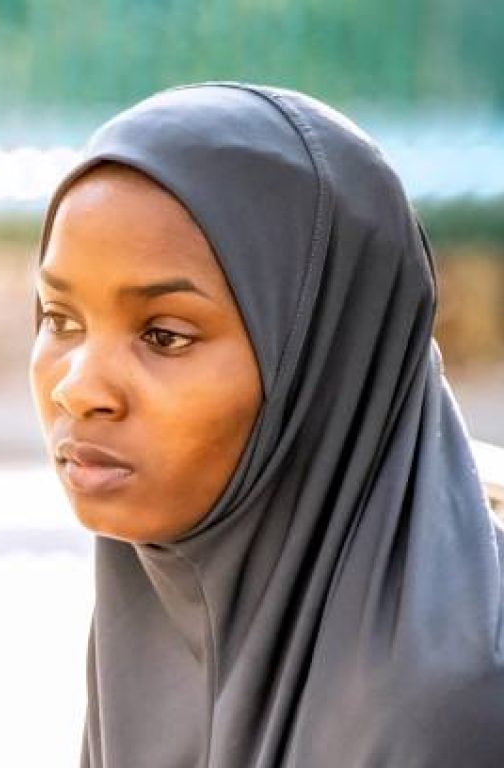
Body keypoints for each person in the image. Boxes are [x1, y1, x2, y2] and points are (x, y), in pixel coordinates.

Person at [29, 83, 504, 767]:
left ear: (323, 360)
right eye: (59, 320)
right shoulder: (166, 591)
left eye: (164, 336)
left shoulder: (445, 718)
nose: (79, 389)